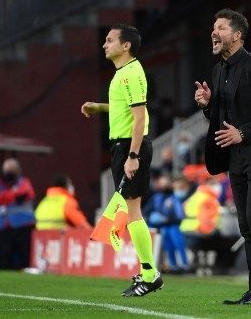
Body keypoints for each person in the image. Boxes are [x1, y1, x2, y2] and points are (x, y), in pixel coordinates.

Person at [194, 8, 251, 305]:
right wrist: (208, 105)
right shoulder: (219, 70)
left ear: (237, 34)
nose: (214, 32)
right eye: (213, 27)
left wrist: (242, 133)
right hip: (235, 157)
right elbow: (221, 116)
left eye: (220, 27)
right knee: (245, 223)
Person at [81, 24, 163, 297]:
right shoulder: (122, 74)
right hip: (122, 147)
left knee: (133, 211)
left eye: (109, 40)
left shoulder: (131, 72)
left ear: (126, 45)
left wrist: (133, 156)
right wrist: (99, 106)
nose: (104, 45)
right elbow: (126, 109)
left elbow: (140, 117)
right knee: (129, 212)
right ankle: (148, 271)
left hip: (130, 147)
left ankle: (150, 274)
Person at [0, 158, 35, 269]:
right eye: (6, 170)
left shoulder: (24, 183)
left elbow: (25, 194)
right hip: (5, 226)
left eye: (11, 169)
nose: (8, 172)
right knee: (4, 256)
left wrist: (4, 197)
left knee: (25, 255)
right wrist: (11, 195)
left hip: (23, 226)